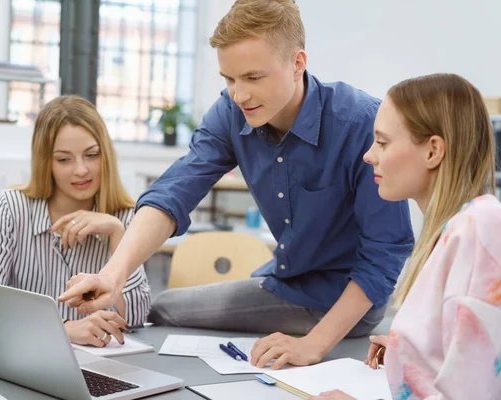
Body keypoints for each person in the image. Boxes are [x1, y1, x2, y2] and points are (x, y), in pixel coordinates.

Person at [59, 0, 414, 368]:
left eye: (253, 78)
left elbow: (385, 253)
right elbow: (174, 190)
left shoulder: (359, 123)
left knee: (164, 308)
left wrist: (313, 345)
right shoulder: (231, 112)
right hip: (283, 280)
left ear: (297, 63)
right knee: (166, 307)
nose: (239, 94)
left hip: (345, 301)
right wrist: (113, 276)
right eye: (229, 79)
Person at [309, 74, 501, 399]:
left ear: (433, 151)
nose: (369, 155)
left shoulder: (480, 226)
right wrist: (409, 351)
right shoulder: (455, 229)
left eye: (382, 142)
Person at [0, 95, 151, 348]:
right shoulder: (11, 208)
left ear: (105, 155)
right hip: (26, 356)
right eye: (64, 159)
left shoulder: (125, 217)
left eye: (91, 155)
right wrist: (63, 329)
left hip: (104, 365)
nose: (81, 170)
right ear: (47, 163)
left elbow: (138, 318)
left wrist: (117, 233)